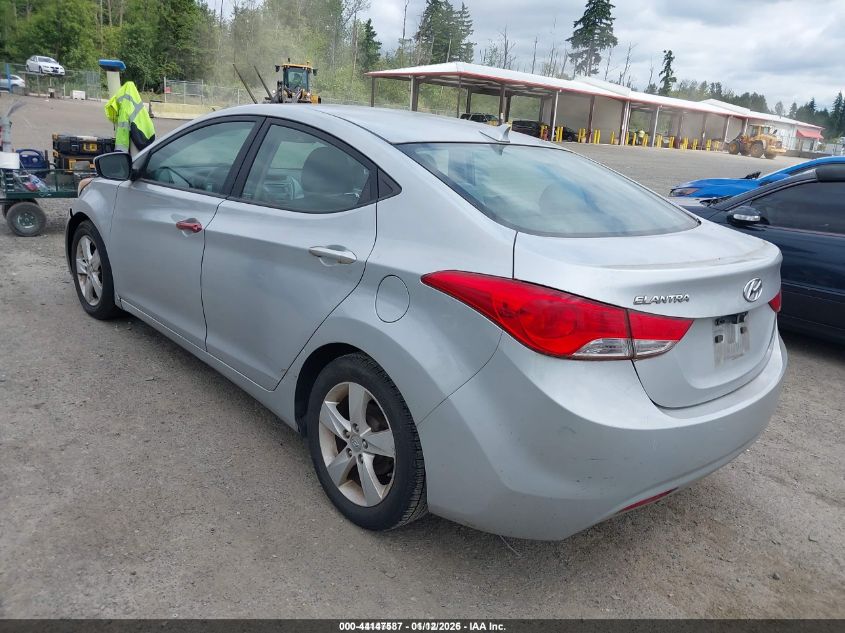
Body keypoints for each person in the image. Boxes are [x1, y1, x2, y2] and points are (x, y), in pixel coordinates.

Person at [104, 81, 155, 155]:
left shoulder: (124, 107)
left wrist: (120, 151)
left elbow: (123, 132)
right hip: (149, 132)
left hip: (141, 137)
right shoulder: (134, 98)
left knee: (137, 161)